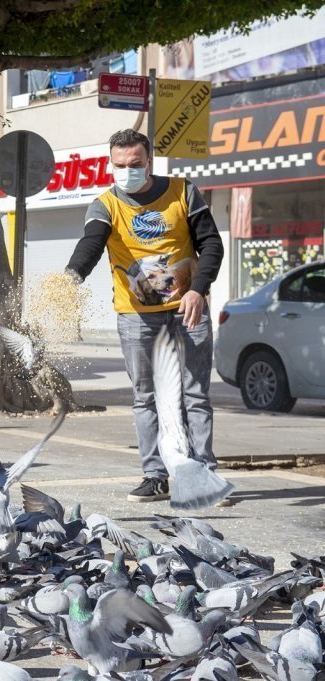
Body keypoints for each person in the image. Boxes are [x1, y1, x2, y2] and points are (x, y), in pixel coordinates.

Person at [65, 129, 224, 502]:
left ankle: (203, 475)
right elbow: (92, 241)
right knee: (145, 397)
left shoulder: (183, 191)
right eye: (119, 165)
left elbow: (211, 243)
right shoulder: (105, 204)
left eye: (135, 164)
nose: (127, 171)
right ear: (110, 163)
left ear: (148, 161)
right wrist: (72, 274)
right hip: (137, 316)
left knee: (195, 394)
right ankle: (155, 476)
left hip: (189, 309)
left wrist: (199, 289)